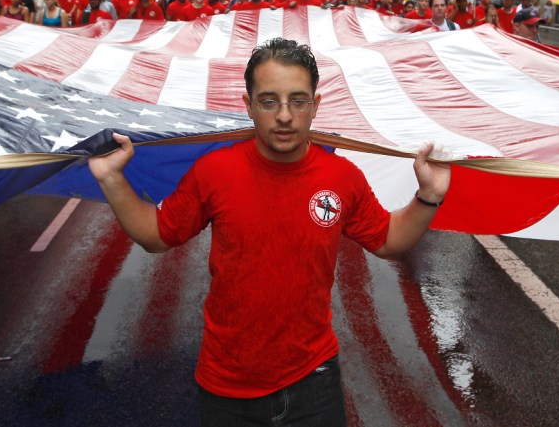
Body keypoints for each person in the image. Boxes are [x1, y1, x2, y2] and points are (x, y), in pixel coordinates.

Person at [88, 37, 450, 425]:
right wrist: (111, 179)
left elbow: (388, 239)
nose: (284, 116)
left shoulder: (342, 177)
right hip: (227, 385)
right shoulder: (215, 172)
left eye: (297, 100)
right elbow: (156, 235)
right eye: (269, 101)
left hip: (314, 380)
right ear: (249, 106)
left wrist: (428, 195)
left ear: (315, 105)